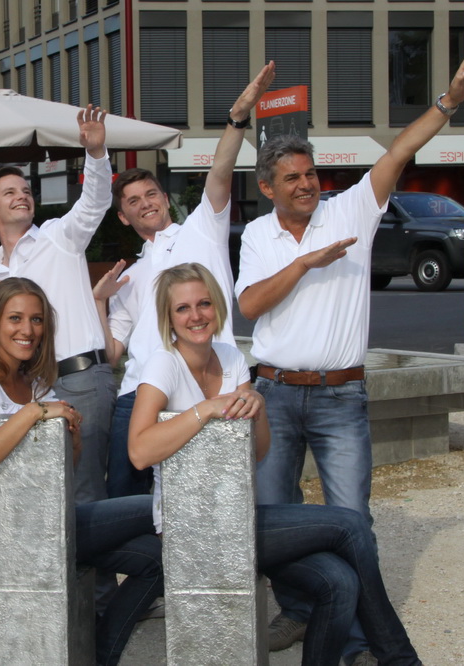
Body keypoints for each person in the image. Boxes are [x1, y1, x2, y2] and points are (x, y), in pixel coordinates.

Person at [235, 46, 464, 663]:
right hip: (273, 394)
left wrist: (449, 102)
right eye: (291, 179)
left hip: (341, 395)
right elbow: (251, 305)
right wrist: (305, 263)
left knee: (351, 520)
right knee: (273, 514)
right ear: (267, 188)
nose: (306, 185)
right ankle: (299, 609)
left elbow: (399, 152)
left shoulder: (351, 209)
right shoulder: (258, 235)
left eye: (310, 174)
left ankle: (358, 639)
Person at [127, 263, 421, 666]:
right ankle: (401, 659)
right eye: (183, 308)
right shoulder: (163, 365)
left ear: (217, 307)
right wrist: (205, 409)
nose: (196, 316)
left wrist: (258, 406)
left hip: (237, 517)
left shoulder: (230, 358)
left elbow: (257, 452)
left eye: (204, 304)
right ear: (168, 318)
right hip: (190, 527)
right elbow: (139, 451)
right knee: (349, 525)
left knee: (339, 582)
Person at [0, 277, 162, 666]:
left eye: (37, 319)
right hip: (1, 531)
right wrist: (33, 413)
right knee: (153, 507)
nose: (28, 330)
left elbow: (63, 471)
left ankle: (100, 655)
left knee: (155, 556)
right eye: (15, 318)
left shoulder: (35, 383)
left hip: (47, 523)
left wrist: (72, 441)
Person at [93, 62, 276, 499]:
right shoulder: (129, 276)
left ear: (165, 198)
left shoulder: (201, 230)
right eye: (133, 201)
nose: (145, 203)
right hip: (138, 394)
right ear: (123, 217)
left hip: (206, 388)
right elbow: (113, 352)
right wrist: (99, 301)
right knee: (126, 503)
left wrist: (237, 119)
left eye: (151, 194)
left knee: (213, 498)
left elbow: (220, 172)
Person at [0, 105, 114, 507]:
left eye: (26, 191)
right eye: (9, 193)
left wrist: (95, 153)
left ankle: (97, 554)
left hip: (81, 377)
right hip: (33, 388)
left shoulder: (59, 237)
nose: (22, 196)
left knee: (85, 492)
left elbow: (94, 202)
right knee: (49, 494)